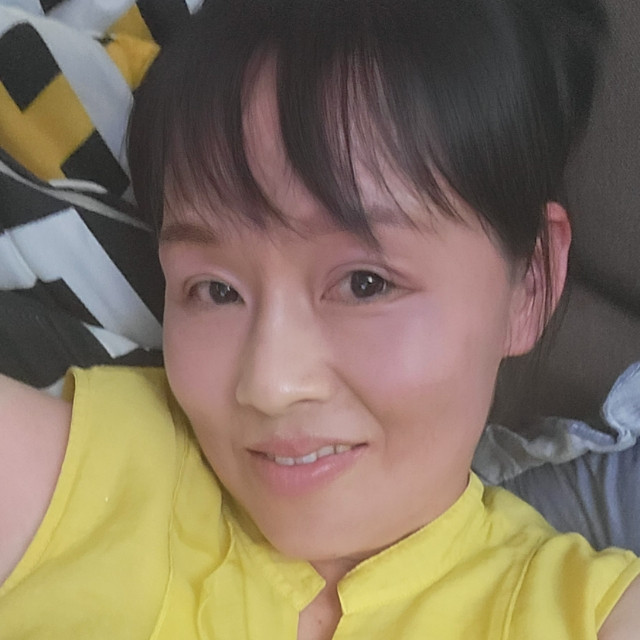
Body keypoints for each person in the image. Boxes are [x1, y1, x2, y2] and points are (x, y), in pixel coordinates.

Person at [1, 0, 639, 638]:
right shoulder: (80, 476)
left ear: (532, 284)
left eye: (365, 284)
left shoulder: (586, 615)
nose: (270, 384)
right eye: (216, 291)